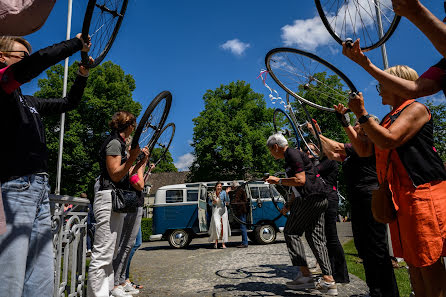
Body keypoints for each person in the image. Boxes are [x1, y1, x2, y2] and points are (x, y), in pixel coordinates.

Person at [0, 34, 91, 296]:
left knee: (41, 277)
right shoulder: (2, 86)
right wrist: (75, 44)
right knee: (10, 277)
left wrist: (82, 76)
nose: (27, 61)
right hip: (12, 189)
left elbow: (68, 104)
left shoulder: (30, 102)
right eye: (22, 56)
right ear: (2, 58)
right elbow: (37, 63)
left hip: (39, 189)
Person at [346, 64, 446, 297]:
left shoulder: (416, 108)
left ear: (397, 84)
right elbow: (363, 151)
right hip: (401, 196)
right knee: (414, 263)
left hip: (422, 193)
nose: (379, 90)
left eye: (383, 85)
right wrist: (348, 120)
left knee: (428, 263)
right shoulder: (389, 117)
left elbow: (388, 140)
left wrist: (362, 114)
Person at [308, 116, 400, 297]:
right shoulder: (354, 149)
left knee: (377, 248)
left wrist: (317, 133)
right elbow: (331, 153)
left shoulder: (368, 143)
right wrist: (316, 133)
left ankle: (388, 293)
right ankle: (375, 291)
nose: (355, 124)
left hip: (371, 199)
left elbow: (336, 147)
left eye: (358, 123)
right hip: (358, 201)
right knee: (364, 248)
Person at [265, 133, 337, 296]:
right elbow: (297, 185)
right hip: (319, 198)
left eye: (270, 150)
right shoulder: (293, 155)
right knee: (316, 238)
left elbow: (300, 180)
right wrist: (288, 205)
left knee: (291, 232)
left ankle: (305, 277)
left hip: (309, 199)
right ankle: (329, 281)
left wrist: (278, 181)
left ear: (275, 146)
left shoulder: (291, 154)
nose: (271, 154)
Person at [87, 111, 147, 297]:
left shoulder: (119, 144)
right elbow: (115, 174)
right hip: (107, 198)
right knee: (103, 252)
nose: (135, 129)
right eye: (134, 125)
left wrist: (133, 158)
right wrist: (131, 158)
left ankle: (106, 291)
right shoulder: (114, 143)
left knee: (110, 251)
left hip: (114, 200)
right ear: (128, 126)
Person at [306, 143, 349, 284]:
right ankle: (330, 271)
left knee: (332, 237)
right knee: (324, 238)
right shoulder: (317, 163)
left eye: (311, 150)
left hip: (329, 199)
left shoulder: (329, 161)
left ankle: (341, 274)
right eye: (306, 150)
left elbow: (312, 173)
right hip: (322, 200)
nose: (308, 152)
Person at [208, 182, 231, 249]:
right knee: (216, 225)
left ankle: (223, 243)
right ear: (216, 187)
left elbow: (227, 201)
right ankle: (216, 242)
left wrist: (227, 193)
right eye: (218, 186)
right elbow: (209, 203)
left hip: (223, 210)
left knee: (224, 226)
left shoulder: (223, 192)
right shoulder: (212, 194)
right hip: (215, 209)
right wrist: (212, 202)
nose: (219, 187)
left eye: (220, 186)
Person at [230, 180, 249, 248]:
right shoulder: (240, 190)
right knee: (242, 226)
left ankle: (245, 243)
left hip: (241, 210)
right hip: (242, 210)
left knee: (243, 226)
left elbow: (236, 199)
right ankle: (244, 242)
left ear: (234, 186)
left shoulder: (239, 191)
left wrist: (231, 203)